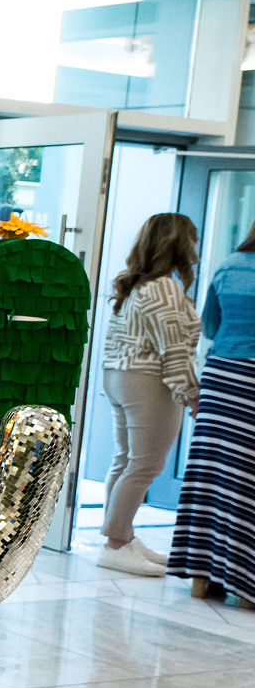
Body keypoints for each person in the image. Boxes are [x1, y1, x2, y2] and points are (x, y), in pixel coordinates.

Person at [96, 213, 201, 577]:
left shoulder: (136, 285)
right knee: (144, 466)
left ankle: (121, 538)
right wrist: (193, 395)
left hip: (119, 375)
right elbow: (174, 351)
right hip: (147, 380)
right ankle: (115, 543)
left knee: (125, 461)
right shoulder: (164, 288)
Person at [168, 218, 255, 602]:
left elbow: (211, 328)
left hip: (221, 378)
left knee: (211, 475)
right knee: (248, 482)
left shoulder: (230, 263)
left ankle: (202, 577)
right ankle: (246, 582)